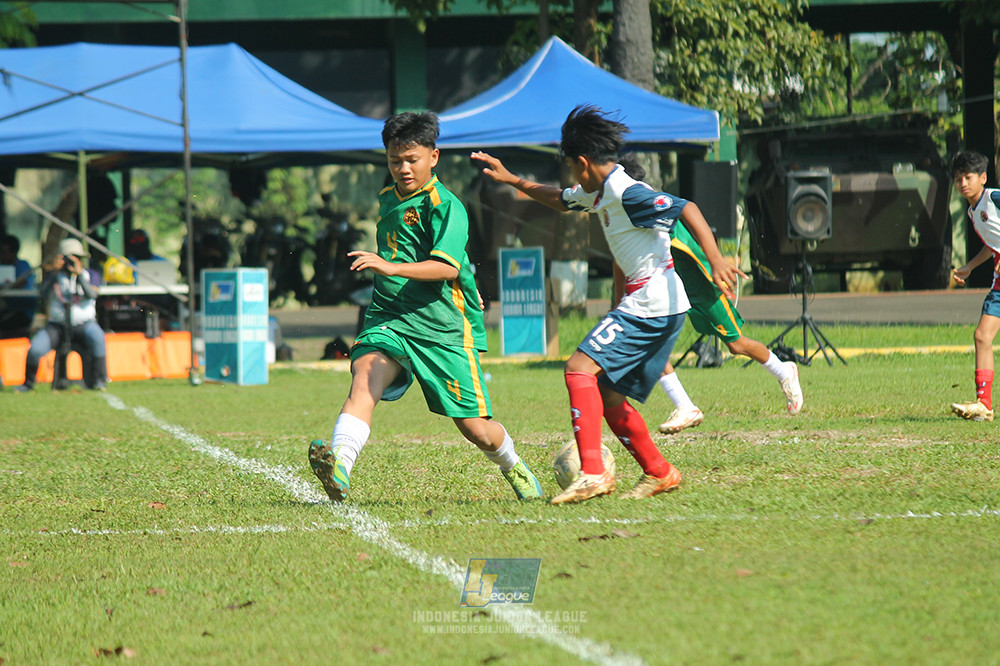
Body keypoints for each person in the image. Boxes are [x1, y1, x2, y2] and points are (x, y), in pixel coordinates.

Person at [472, 104, 744, 503]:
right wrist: (513, 179)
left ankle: (593, 473)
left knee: (578, 370)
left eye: (570, 167)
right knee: (609, 396)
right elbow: (560, 199)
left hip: (651, 303)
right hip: (655, 305)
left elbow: (687, 207)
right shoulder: (597, 191)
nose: (570, 176)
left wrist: (716, 259)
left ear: (582, 163)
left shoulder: (627, 192)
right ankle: (660, 471)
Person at [307, 111, 543, 502]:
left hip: (441, 327)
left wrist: (393, 268)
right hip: (390, 317)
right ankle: (340, 466)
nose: (403, 168)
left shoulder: (446, 205)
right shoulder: (388, 198)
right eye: (394, 160)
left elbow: (447, 265)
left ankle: (512, 463)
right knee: (365, 378)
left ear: (434, 157)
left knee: (475, 429)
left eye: (411, 160)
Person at [615, 154, 803, 434]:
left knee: (736, 344)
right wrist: (619, 303)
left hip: (701, 286)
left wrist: (716, 262)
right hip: (667, 289)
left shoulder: (649, 204)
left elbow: (687, 210)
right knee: (652, 342)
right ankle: (684, 406)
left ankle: (784, 370)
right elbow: (619, 258)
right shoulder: (619, 213)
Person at [15, 238, 107, 392]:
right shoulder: (54, 277)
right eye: (67, 258)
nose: (71, 262)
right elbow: (43, 295)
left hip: (84, 324)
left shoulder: (91, 274)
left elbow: (92, 294)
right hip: (57, 326)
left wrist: (79, 275)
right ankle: (27, 384)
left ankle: (99, 381)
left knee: (98, 337)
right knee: (36, 349)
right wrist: (53, 274)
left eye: (76, 258)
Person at [950, 150, 1000, 422]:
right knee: (982, 336)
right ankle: (984, 405)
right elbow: (993, 243)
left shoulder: (994, 198)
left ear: (983, 177)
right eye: (958, 179)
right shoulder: (973, 211)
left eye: (968, 177)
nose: (963, 183)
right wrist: (970, 266)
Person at [0, 234, 38, 338]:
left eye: (4, 252)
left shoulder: (23, 266)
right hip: (7, 309)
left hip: (23, 312)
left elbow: (21, 283)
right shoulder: (2, 265)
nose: (1, 256)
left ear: (14, 253)